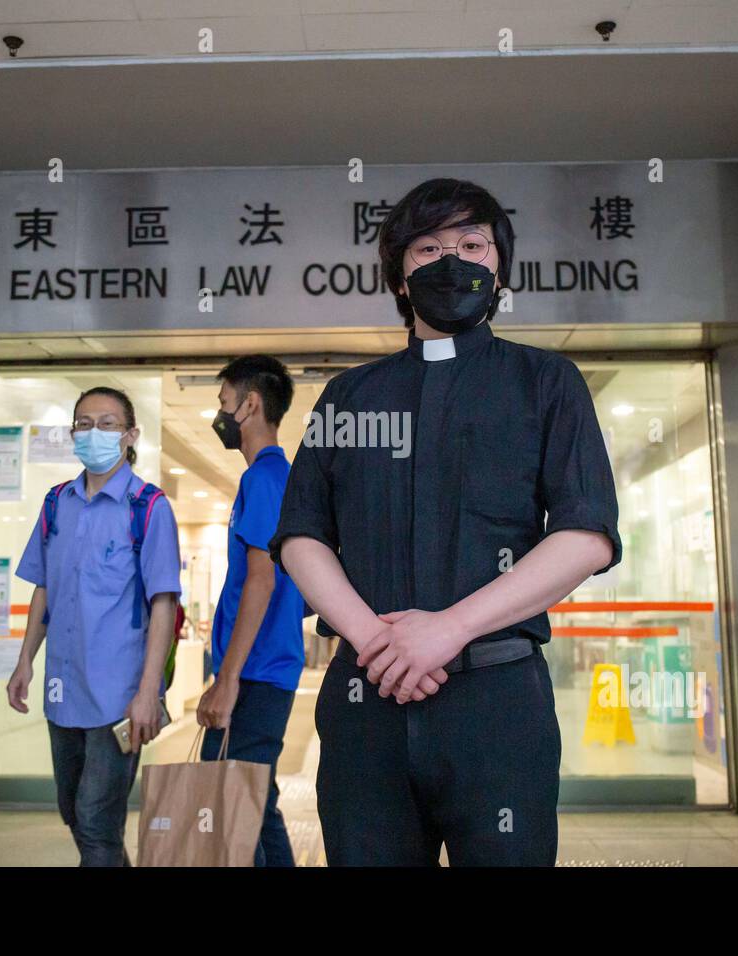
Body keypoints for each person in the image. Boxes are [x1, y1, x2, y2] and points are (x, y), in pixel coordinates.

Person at [270, 178, 622, 866]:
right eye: (427, 247)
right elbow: (302, 536)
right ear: (400, 278)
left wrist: (451, 628)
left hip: (498, 704)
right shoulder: (350, 395)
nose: (450, 260)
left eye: (471, 244)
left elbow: (584, 536)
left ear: (499, 269)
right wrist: (379, 640)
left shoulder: (547, 383)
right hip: (365, 699)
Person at [7, 386, 181, 867]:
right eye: (84, 423)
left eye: (107, 423)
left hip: (118, 694)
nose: (94, 432)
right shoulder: (56, 503)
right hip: (63, 687)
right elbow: (44, 588)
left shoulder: (147, 506)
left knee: (96, 819)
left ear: (130, 435)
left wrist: (150, 691)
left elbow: (162, 603)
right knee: (72, 811)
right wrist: (25, 661)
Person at [197, 355, 306, 868]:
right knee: (255, 808)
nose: (219, 414)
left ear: (251, 405)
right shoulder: (282, 480)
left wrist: (228, 678)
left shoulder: (263, 480)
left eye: (223, 403)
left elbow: (262, 578)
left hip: (257, 676)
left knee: (233, 808)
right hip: (267, 671)